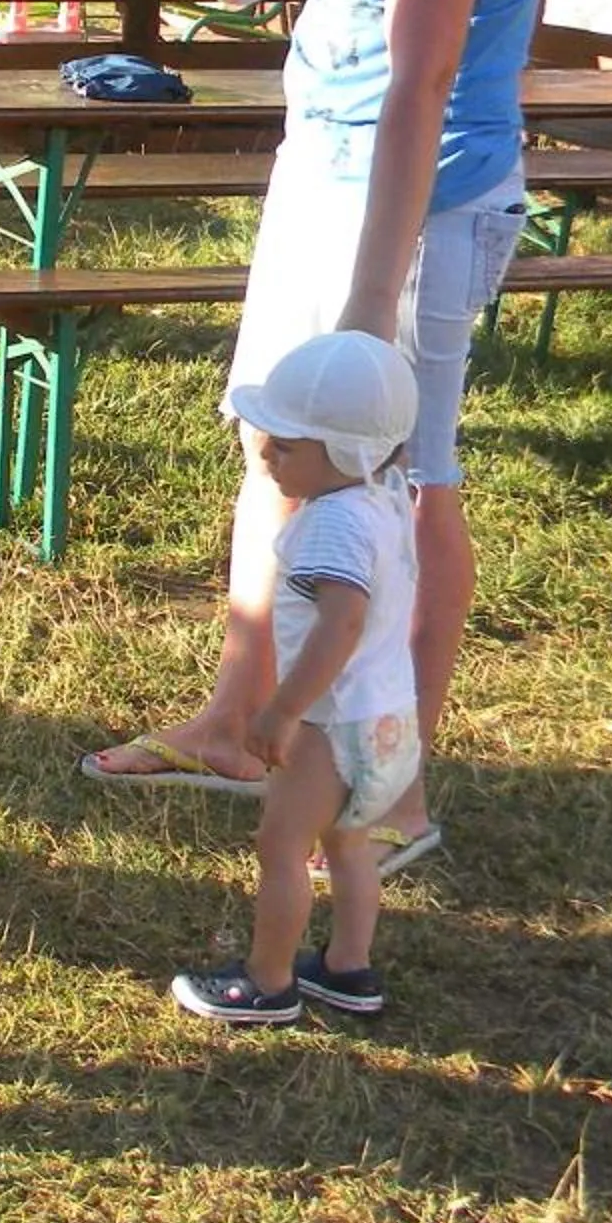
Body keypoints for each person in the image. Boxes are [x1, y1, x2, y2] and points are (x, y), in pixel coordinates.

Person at [85, 0, 551, 872]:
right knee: (275, 442)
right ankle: (240, 724)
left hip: (420, 197)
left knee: (400, 480)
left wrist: (370, 288)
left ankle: (391, 793)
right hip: (320, 173)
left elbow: (425, 74)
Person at [170, 332, 420, 1027]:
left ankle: (268, 982)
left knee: (280, 846)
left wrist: (283, 711)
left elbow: (339, 624)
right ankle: (349, 968)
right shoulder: (384, 499)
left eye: (287, 444)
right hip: (389, 722)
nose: (266, 453)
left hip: (330, 726)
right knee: (347, 844)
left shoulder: (332, 526)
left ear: (347, 454)